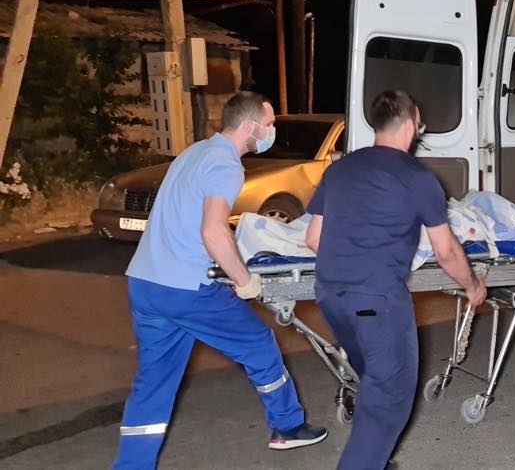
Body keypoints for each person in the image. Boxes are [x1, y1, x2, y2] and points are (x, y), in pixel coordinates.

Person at [113, 91, 327, 469]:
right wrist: (245, 280)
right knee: (259, 344)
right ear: (250, 126)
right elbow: (213, 231)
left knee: (154, 383)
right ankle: (288, 427)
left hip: (145, 282)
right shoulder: (226, 165)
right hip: (187, 288)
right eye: (269, 124)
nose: (271, 130)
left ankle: (131, 466)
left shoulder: (193, 153)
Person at [305, 89, 486, 470]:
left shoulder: (339, 170)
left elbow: (314, 239)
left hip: (330, 296)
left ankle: (374, 460)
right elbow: (446, 251)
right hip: (376, 302)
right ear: (411, 124)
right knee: (388, 400)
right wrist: (472, 286)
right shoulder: (416, 177)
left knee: (374, 380)